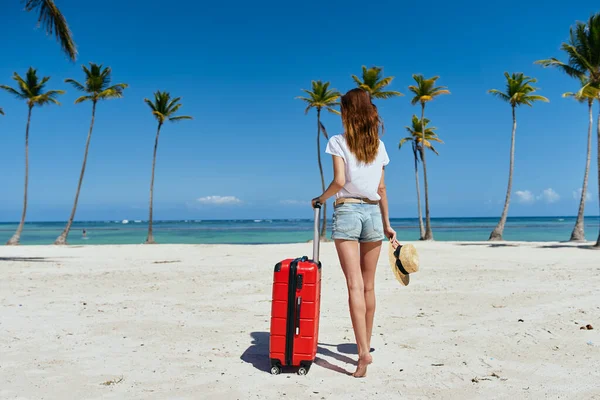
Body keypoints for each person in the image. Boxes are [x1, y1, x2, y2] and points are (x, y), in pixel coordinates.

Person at [312, 88, 396, 378]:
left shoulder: (337, 141)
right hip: (374, 213)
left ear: (348, 111)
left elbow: (339, 180)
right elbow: (382, 189)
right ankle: (366, 348)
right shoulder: (379, 146)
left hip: (347, 212)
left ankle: (362, 353)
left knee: (354, 285)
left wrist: (321, 199)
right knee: (370, 286)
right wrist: (387, 224)